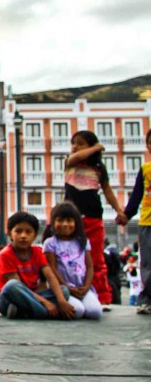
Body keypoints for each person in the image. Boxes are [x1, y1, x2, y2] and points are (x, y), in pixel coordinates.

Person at [64, 130, 125, 308]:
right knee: (71, 258)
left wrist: (119, 210)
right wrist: (97, 147)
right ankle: (74, 293)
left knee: (97, 259)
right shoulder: (70, 161)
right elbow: (78, 157)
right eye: (73, 143)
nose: (75, 146)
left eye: (80, 143)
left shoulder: (98, 169)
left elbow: (107, 191)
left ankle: (102, 297)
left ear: (89, 145)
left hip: (93, 216)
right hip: (72, 218)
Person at [0, 211, 78, 320]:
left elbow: (51, 277)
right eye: (18, 231)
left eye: (28, 232)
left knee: (63, 291)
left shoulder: (37, 252)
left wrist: (62, 301)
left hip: (32, 296)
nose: (23, 236)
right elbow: (19, 287)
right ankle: (45, 313)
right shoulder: (6, 255)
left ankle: (24, 312)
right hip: (9, 298)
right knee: (12, 285)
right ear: (10, 234)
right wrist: (46, 303)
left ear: (34, 235)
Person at [41, 202, 103, 320]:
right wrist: (67, 287)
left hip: (82, 288)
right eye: (60, 220)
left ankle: (82, 303)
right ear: (53, 223)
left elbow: (89, 267)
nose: (65, 224)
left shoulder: (83, 241)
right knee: (78, 311)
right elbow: (52, 269)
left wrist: (86, 287)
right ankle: (57, 305)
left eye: (69, 220)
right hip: (63, 289)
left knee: (95, 312)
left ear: (76, 223)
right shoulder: (50, 243)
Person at [119, 128, 151, 314]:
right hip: (147, 222)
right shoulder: (146, 169)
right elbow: (136, 195)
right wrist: (126, 215)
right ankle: (147, 299)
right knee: (148, 263)